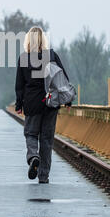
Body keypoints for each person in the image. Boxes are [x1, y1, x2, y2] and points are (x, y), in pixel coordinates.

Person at [15, 26, 70, 183]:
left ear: (28, 40)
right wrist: (68, 99)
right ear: (42, 40)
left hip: (32, 102)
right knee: (46, 140)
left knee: (31, 134)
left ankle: (33, 157)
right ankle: (43, 176)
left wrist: (19, 104)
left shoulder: (24, 58)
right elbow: (62, 79)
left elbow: (20, 84)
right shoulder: (51, 56)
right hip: (50, 102)